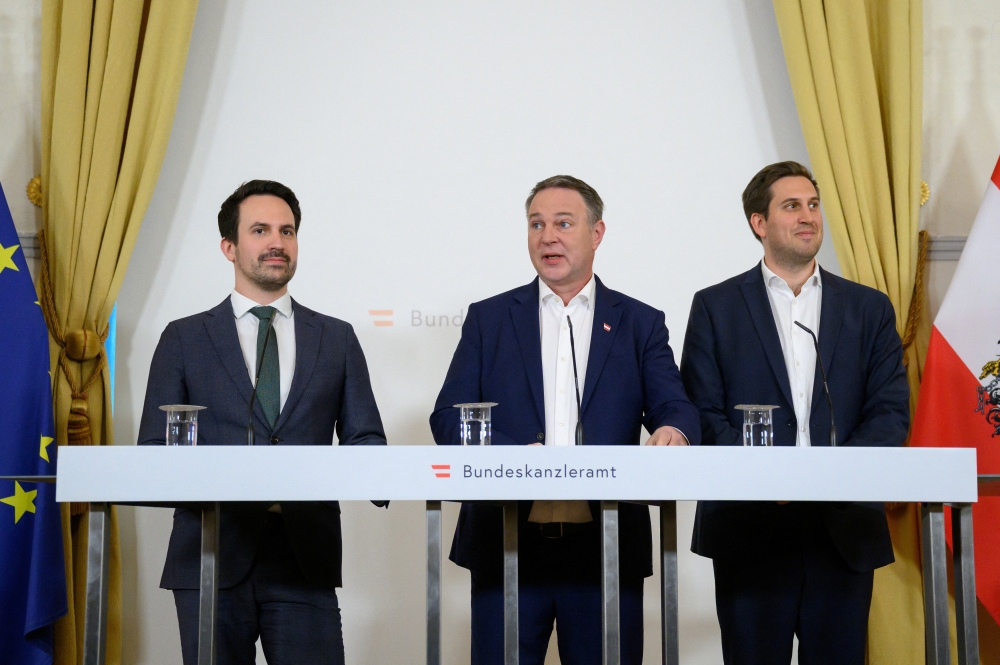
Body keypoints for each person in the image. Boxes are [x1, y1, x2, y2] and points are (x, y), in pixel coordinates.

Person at [430, 175, 699, 665]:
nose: (547, 236)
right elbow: (448, 417)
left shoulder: (640, 322)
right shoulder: (489, 319)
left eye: (563, 223)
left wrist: (672, 432)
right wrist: (514, 458)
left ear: (596, 234)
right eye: (536, 224)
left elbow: (676, 408)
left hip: (606, 550)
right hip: (507, 544)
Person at [137, 180, 387, 665]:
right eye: (260, 230)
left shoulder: (336, 338)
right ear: (229, 246)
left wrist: (371, 475)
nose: (278, 242)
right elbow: (154, 450)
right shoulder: (184, 339)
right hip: (210, 555)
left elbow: (366, 438)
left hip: (303, 559)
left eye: (287, 231)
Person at [680, 162, 909, 665]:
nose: (808, 217)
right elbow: (702, 411)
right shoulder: (716, 307)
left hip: (843, 530)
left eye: (812, 204)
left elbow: (890, 412)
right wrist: (768, 477)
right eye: (791, 206)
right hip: (751, 533)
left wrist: (832, 476)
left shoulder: (869, 309)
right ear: (759, 223)